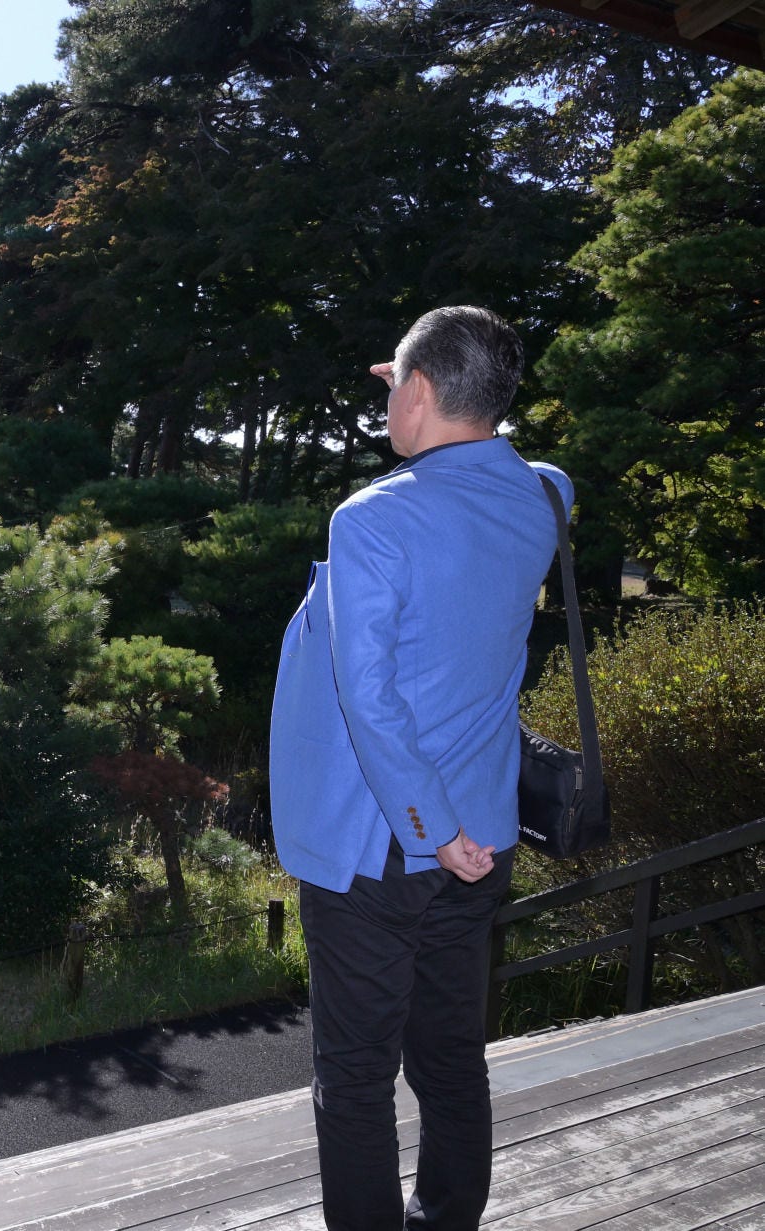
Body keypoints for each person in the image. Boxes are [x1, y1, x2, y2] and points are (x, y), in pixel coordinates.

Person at [268, 306, 572, 1230]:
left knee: (355, 1077)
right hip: (483, 840)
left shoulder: (373, 520)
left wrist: (428, 830)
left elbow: (371, 700)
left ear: (424, 392)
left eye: (398, 387)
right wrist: (427, 384)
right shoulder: (542, 498)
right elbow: (531, 462)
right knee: (450, 1058)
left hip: (385, 845)